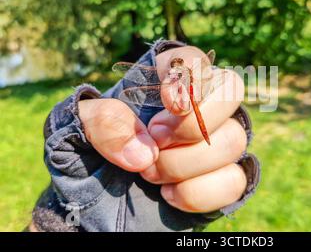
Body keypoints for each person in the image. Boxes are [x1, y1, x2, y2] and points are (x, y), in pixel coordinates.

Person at [29, 40, 261, 232]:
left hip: (189, 107)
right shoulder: (177, 75)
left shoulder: (189, 74)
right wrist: (62, 221)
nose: (177, 66)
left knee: (187, 114)